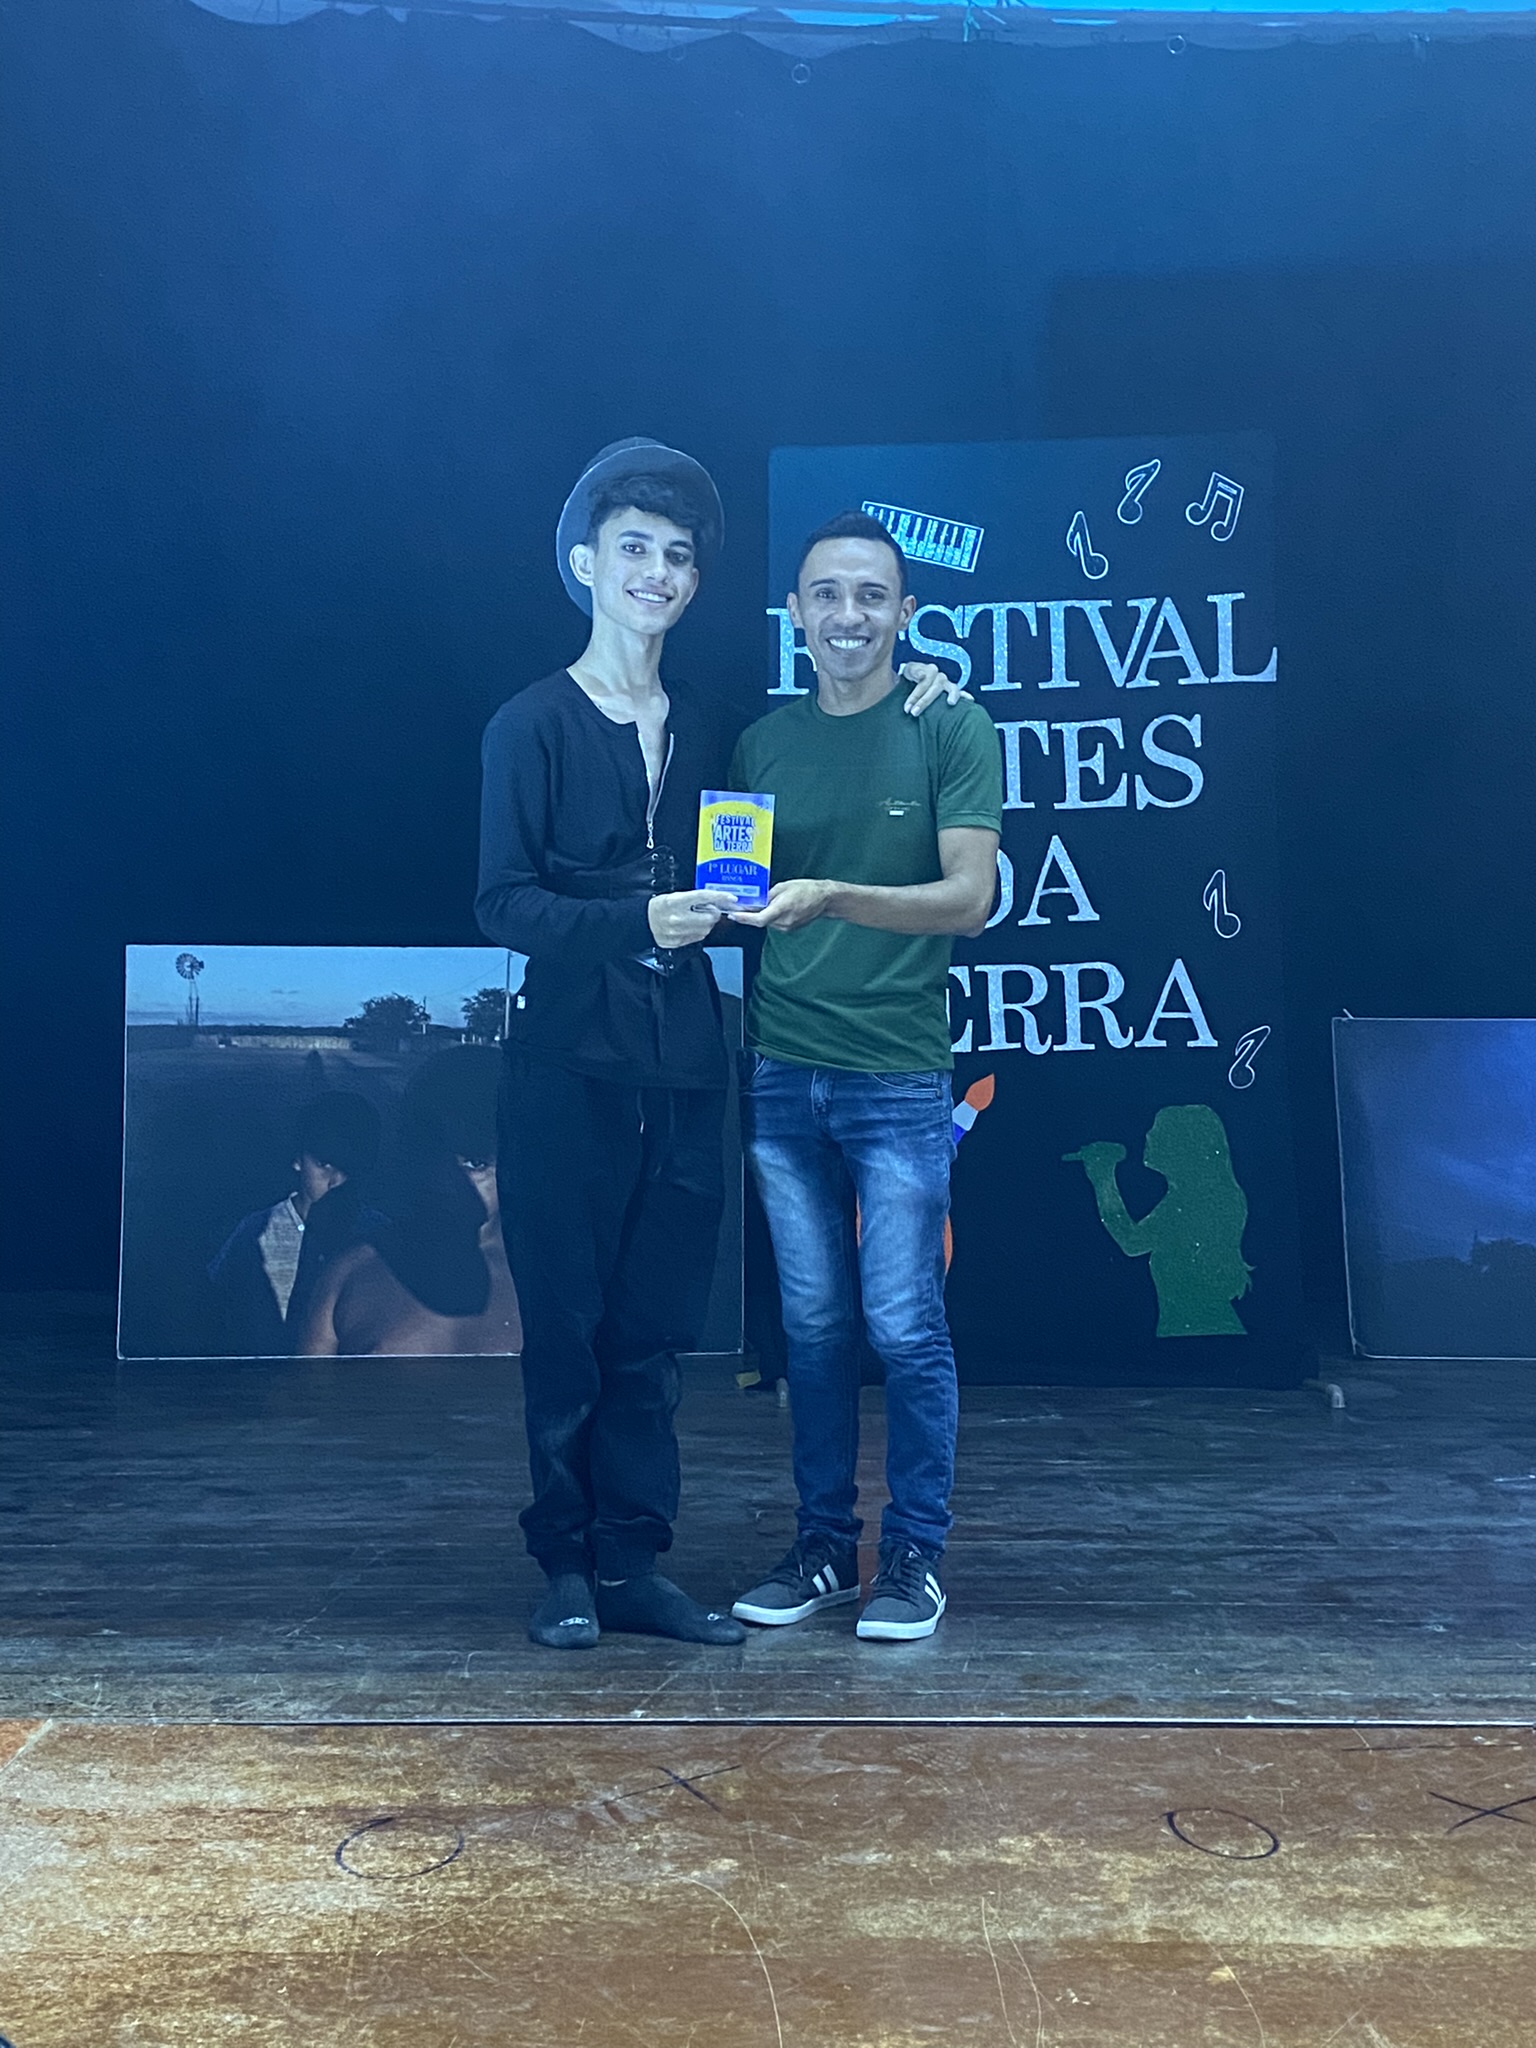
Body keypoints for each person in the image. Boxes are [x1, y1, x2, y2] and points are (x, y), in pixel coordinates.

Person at [476, 441, 963, 1652]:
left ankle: (634, 1560)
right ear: (585, 563)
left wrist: (926, 680)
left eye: (679, 555)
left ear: (697, 582)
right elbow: (502, 903)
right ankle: (566, 1563)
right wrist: (634, 921)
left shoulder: (722, 731)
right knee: (568, 1324)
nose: (657, 571)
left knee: (655, 1332)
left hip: (693, 1067)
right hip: (564, 1063)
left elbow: (845, 731)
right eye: (634, 548)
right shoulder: (529, 724)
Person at [728, 511, 1002, 1643]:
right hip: (780, 1070)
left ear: (904, 613)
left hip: (895, 1073)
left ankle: (915, 1557)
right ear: (795, 612)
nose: (848, 615)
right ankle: (825, 1549)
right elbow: (738, 894)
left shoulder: (952, 725)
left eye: (871, 595)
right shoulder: (761, 745)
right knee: (812, 1330)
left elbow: (970, 900)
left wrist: (834, 894)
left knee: (904, 1326)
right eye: (827, 595)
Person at [294, 1046, 522, 1358]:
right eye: (432, 1153)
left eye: (475, 1163)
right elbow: (308, 1388)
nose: (445, 1181)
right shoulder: (348, 1275)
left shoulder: (554, 1287)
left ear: (515, 1166)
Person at [208, 1090, 382, 1356]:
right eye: (324, 1164)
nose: (337, 1180)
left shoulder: (379, 1235)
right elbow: (217, 1310)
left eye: (349, 1168)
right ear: (298, 1160)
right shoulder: (256, 1231)